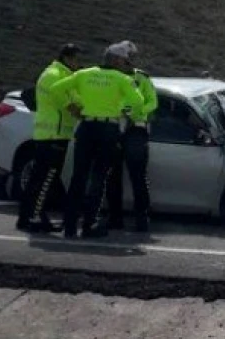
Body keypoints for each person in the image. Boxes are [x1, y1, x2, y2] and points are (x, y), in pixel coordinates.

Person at [50, 43, 145, 238]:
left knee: (78, 177)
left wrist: (70, 107)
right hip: (108, 129)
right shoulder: (122, 79)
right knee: (99, 178)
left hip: (86, 128)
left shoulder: (84, 74)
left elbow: (55, 89)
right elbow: (138, 102)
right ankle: (89, 224)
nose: (126, 65)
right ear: (117, 60)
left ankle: (69, 225)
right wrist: (126, 115)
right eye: (125, 61)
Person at [16, 43, 83, 233]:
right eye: (76, 60)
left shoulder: (55, 73)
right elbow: (70, 103)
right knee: (45, 179)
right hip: (54, 134)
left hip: (51, 134)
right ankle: (34, 218)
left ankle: (27, 217)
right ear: (68, 59)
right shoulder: (56, 76)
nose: (78, 64)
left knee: (40, 179)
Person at [106, 41, 156, 232]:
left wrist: (136, 112)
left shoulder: (142, 78)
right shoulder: (109, 78)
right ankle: (114, 218)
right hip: (114, 128)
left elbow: (152, 102)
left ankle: (142, 219)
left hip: (136, 130)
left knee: (138, 177)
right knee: (112, 176)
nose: (131, 61)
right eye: (129, 58)